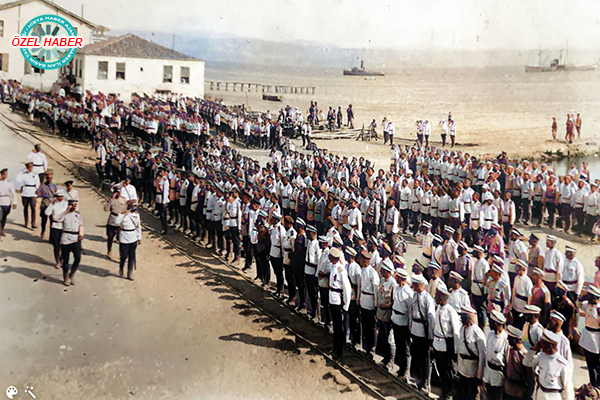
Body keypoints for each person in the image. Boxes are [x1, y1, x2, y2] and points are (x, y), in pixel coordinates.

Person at [523, 329, 574, 400]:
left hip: (553, 396)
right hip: (540, 394)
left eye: (542, 343)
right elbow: (526, 362)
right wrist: (533, 349)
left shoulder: (562, 364)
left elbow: (568, 388)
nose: (540, 345)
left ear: (550, 346)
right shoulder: (541, 356)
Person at [432, 285, 460, 400]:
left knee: (446, 371)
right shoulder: (438, 308)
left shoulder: (450, 311)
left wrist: (455, 351)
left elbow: (456, 332)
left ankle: (447, 393)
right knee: (440, 370)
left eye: (437, 296)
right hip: (437, 343)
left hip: (445, 345)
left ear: (443, 298)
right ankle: (443, 391)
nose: (435, 298)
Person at [408, 273, 435, 392]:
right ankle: (417, 379)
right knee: (417, 357)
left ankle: (425, 383)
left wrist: (430, 337)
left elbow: (431, 319)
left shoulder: (427, 299)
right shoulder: (414, 296)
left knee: (424, 360)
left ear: (420, 285)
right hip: (415, 330)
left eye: (414, 284)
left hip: (423, 333)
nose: (412, 286)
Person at [456, 304, 487, 400]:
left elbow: (482, 356)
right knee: (462, 393)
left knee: (472, 395)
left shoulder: (477, 334)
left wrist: (479, 375)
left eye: (463, 316)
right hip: (462, 368)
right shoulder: (462, 329)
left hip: (472, 369)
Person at [328, 247, 351, 360]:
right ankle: (334, 347)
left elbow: (347, 289)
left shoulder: (341, 270)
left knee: (338, 328)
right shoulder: (333, 267)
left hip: (338, 301)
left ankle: (339, 350)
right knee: (335, 327)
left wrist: (345, 305)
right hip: (332, 298)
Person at [391, 267, 413, 380]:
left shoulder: (409, 293)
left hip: (404, 322)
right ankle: (400, 368)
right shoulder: (396, 288)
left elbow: (410, 311)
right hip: (395, 319)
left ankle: (406, 371)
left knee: (405, 348)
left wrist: (409, 326)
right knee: (399, 346)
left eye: (397, 277)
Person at [483, 310, 509, 400]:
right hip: (489, 374)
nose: (488, 324)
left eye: (490, 322)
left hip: (498, 377)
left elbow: (507, 361)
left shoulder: (505, 339)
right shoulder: (490, 335)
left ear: (495, 323)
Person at [358, 248, 380, 356]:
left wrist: (376, 305)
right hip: (363, 299)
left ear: (367, 260)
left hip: (370, 301)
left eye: (362, 259)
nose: (360, 260)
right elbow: (360, 286)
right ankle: (365, 346)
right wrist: (358, 298)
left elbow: (376, 291)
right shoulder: (362, 270)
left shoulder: (373, 273)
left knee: (371, 327)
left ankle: (372, 347)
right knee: (365, 325)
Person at [375, 259, 397, 367]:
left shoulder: (393, 283)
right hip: (380, 313)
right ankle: (385, 357)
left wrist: (386, 306)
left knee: (389, 339)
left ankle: (390, 360)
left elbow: (393, 301)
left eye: (383, 270)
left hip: (387, 314)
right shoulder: (382, 280)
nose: (381, 272)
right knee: (382, 337)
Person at [59, 199, 84, 286]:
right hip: (66, 238)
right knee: (65, 260)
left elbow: (80, 225)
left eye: (75, 205)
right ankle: (65, 276)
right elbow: (57, 219)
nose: (74, 206)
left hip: (76, 238)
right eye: (72, 205)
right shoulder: (64, 215)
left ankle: (72, 274)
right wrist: (66, 211)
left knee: (77, 258)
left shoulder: (78, 214)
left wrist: (81, 234)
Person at [579, 285, 600, 388]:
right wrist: (581, 298)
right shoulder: (587, 305)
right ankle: (592, 383)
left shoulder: (599, 308)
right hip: (587, 336)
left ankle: (597, 385)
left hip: (596, 338)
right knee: (590, 363)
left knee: (596, 365)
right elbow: (578, 305)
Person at [114, 203, 142, 280]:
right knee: (124, 255)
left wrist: (139, 237)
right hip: (124, 236)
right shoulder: (123, 214)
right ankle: (121, 267)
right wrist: (123, 214)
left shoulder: (136, 215)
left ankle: (130, 273)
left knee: (132, 256)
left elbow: (138, 226)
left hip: (133, 236)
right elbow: (116, 222)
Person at [45, 190, 67, 268]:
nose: (59, 198)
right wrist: (51, 205)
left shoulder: (66, 204)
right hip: (55, 225)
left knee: (64, 244)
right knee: (56, 245)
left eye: (61, 197)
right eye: (58, 197)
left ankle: (62, 259)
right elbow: (47, 213)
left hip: (64, 226)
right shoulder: (53, 204)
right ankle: (57, 261)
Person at [104, 186, 128, 259]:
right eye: (116, 192)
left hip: (120, 220)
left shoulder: (124, 201)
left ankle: (122, 254)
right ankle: (109, 251)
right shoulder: (112, 201)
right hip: (112, 219)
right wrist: (110, 201)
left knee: (121, 239)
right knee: (110, 237)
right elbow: (106, 209)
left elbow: (126, 210)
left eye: (118, 192)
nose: (117, 193)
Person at [16, 161, 40, 229]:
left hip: (33, 192)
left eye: (31, 167)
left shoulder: (35, 175)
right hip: (25, 191)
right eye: (28, 167)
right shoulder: (23, 175)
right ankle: (26, 222)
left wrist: (36, 190)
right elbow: (19, 181)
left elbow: (37, 183)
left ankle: (33, 222)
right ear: (26, 168)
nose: (30, 168)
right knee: (25, 207)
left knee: (33, 207)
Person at [0, 168, 18, 237]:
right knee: (0, 217)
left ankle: (2, 229)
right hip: (0, 201)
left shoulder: (9, 183)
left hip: (7, 202)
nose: (5, 176)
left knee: (4, 217)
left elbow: (13, 193)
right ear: (1, 175)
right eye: (4, 174)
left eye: (6, 174)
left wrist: (14, 203)